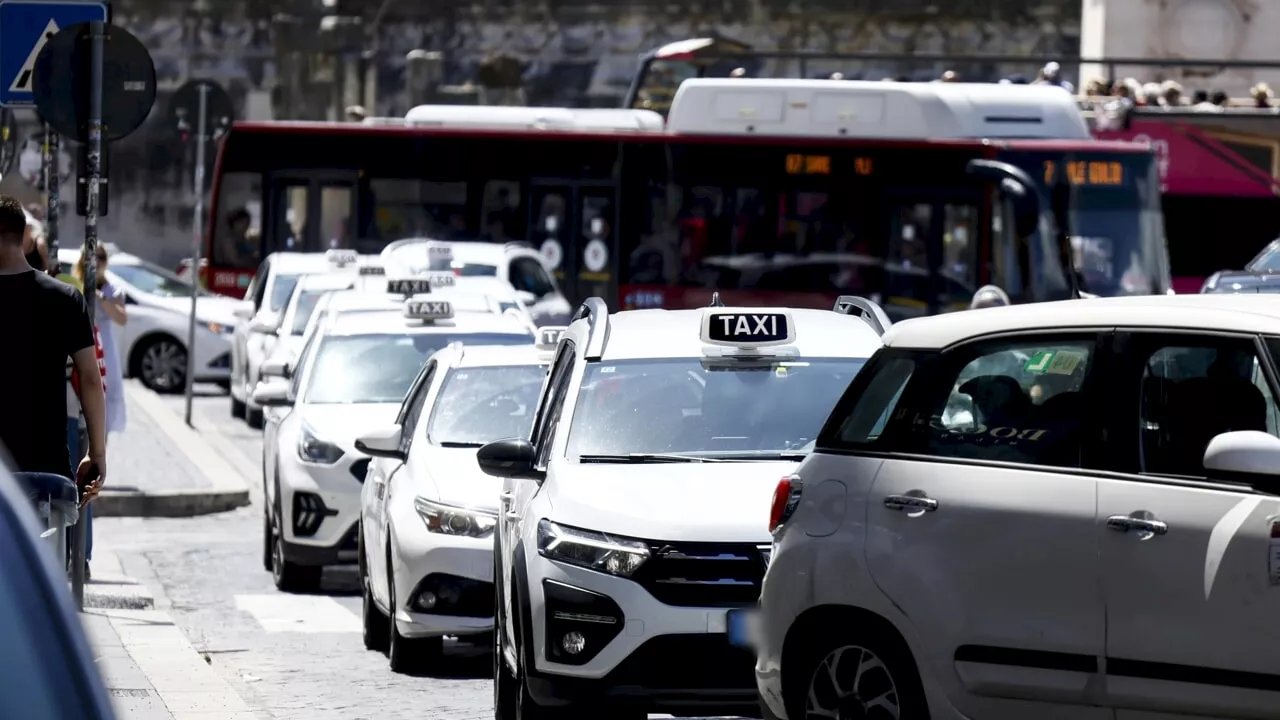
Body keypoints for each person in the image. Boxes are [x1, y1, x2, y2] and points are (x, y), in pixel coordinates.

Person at [0, 194, 106, 520]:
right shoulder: (65, 299)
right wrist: (97, 453)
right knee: (47, 564)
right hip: (46, 473)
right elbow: (90, 377)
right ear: (23, 237)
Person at [72, 244, 126, 574]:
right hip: (84, 361)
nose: (98, 265)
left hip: (103, 361)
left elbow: (121, 316)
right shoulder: (74, 290)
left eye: (102, 261)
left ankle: (82, 556)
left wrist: (100, 296)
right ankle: (77, 556)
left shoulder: (111, 289)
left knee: (100, 416)